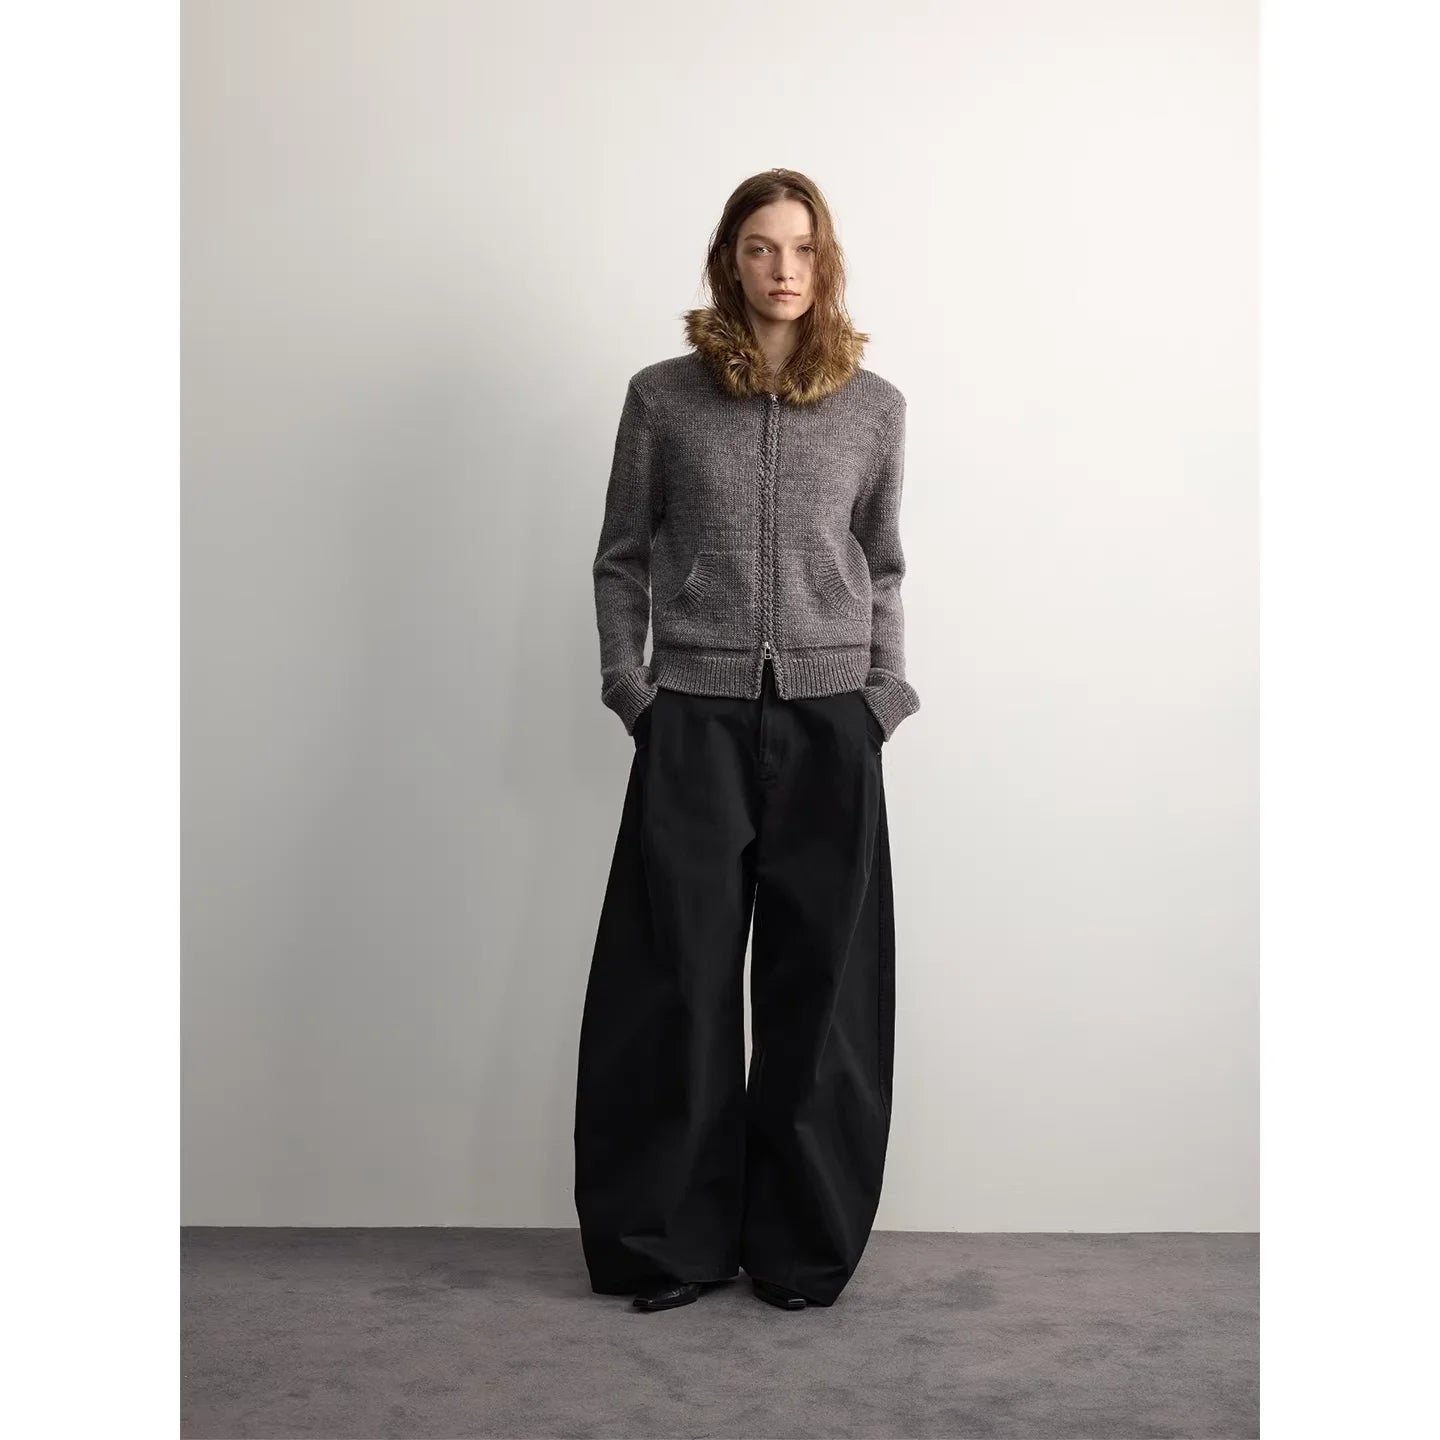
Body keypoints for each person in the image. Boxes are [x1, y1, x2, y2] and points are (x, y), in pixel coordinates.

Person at [573, 167, 920, 1314]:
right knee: (677, 983)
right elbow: (622, 556)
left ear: (826, 263)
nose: (784, 269)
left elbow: (883, 564)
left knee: (821, 992)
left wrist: (883, 695)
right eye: (763, 247)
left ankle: (798, 1250)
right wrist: (634, 690)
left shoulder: (873, 408)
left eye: (803, 249)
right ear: (730, 257)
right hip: (696, 717)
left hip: (831, 722)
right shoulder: (664, 400)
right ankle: (672, 1246)